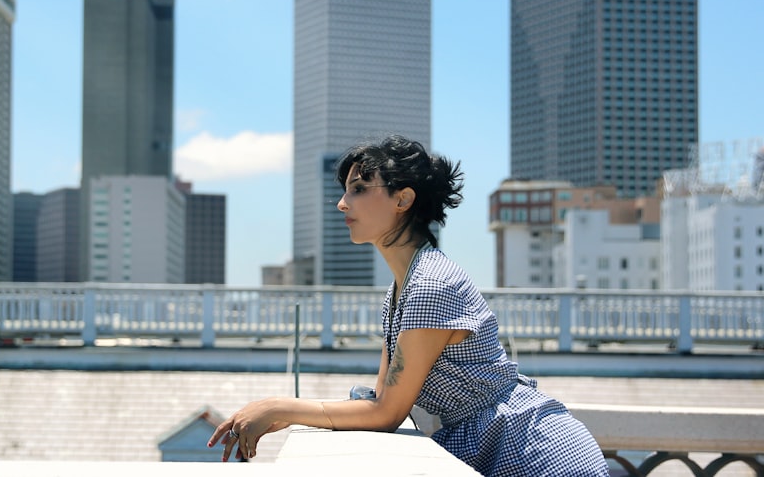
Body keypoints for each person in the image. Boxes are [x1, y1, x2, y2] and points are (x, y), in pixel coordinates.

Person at [208, 134, 609, 476]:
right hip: (509, 450)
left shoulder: (430, 285)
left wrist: (278, 405)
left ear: (403, 199)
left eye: (359, 189)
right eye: (346, 190)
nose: (342, 204)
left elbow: (386, 413)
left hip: (539, 457)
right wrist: (282, 416)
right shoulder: (403, 289)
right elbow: (379, 400)